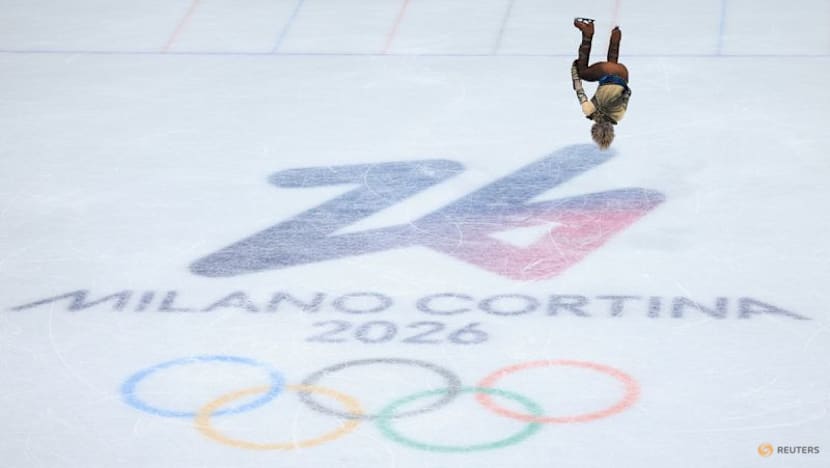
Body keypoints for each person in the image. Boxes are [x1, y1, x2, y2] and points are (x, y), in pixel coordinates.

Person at [570, 18, 631, 150]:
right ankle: (588, 32)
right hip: (606, 72)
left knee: (612, 71)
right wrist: (575, 73)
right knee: (584, 72)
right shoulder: (590, 111)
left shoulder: (619, 115)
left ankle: (616, 36)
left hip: (623, 73)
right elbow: (579, 89)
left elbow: (627, 93)